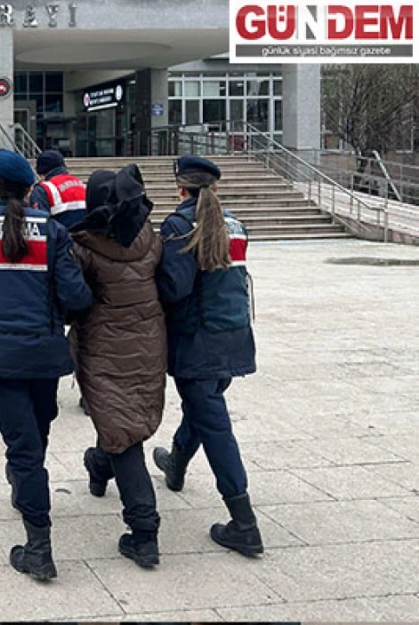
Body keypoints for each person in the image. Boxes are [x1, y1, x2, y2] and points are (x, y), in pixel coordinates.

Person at [0, 150, 92, 580]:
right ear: (30, 189)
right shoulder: (54, 233)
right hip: (42, 355)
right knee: (36, 434)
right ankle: (26, 487)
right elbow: (76, 296)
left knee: (23, 449)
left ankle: (39, 548)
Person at [153, 155, 263, 557]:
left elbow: (175, 288)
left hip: (198, 342)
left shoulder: (179, 225)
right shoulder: (236, 223)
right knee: (204, 409)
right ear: (213, 188)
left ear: (180, 188)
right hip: (234, 336)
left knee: (214, 425)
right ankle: (177, 463)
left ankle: (244, 523)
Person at [70, 165, 166, 569]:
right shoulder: (151, 238)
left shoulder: (83, 246)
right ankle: (98, 465)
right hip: (149, 345)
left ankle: (144, 533)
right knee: (122, 423)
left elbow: (74, 299)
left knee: (124, 436)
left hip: (104, 349)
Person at [30, 150, 86, 229]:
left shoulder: (43, 189)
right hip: (85, 238)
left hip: (61, 238)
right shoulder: (81, 185)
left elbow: (40, 224)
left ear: (41, 171)